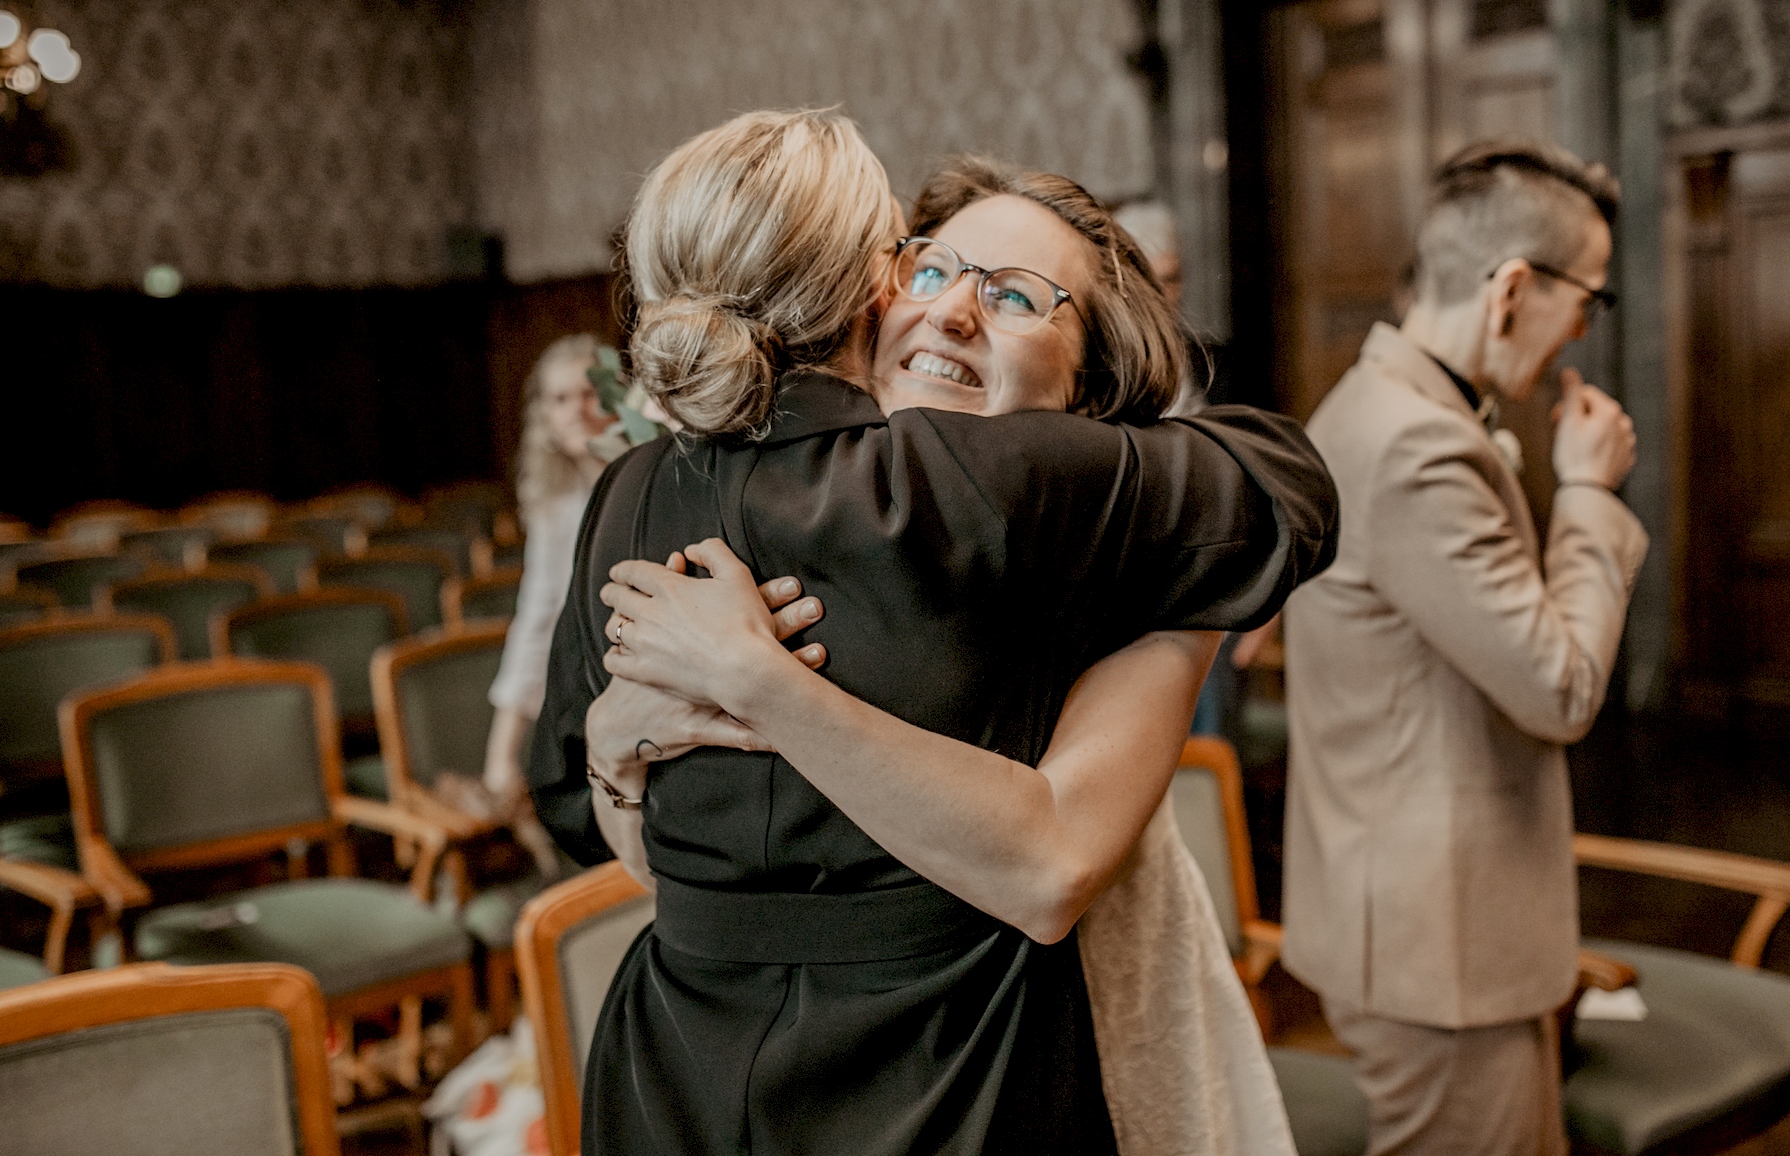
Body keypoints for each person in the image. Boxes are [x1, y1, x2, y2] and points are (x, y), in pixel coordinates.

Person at [527, 111, 1338, 1155]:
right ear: (871, 290)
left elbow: (1052, 867)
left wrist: (739, 685)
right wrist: (614, 740)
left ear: (1084, 403)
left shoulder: (636, 491)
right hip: (910, 1080)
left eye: (1012, 296)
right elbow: (1286, 482)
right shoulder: (980, 489)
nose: (953, 309)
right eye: (932, 269)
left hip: (715, 1075)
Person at [1281, 139, 1647, 1156]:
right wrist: (1584, 494)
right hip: (1434, 943)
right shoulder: (1416, 443)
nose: (1583, 328)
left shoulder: (1393, 406)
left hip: (1438, 920)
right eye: (1590, 298)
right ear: (1513, 288)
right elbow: (1560, 689)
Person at [482, 333, 615, 804]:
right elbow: (539, 617)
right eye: (560, 398)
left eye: (590, 392)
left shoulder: (650, 471)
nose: (577, 410)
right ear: (545, 415)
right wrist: (501, 754)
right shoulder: (559, 502)